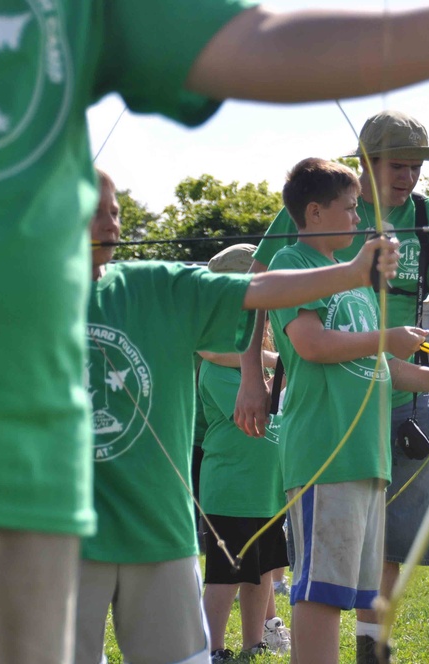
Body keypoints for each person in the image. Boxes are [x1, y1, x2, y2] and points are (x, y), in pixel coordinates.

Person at [0, 2, 429, 661]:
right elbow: (281, 311)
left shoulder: (160, 283)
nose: (407, 176)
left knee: (378, 551)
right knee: (311, 582)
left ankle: (374, 646)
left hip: (29, 496)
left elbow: (254, 40)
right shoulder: (293, 248)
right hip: (299, 438)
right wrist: (293, 340)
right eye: (386, 170)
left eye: (114, 210)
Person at [75, 170, 399, 664]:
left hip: (159, 532)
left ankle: (254, 638)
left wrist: (353, 274)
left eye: (117, 211)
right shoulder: (24, 299)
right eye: (95, 210)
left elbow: (258, 289)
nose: (111, 223)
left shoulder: (155, 284)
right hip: (65, 531)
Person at [239, 110, 429, 660]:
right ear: (363, 167)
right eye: (397, 166)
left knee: (386, 542)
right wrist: (252, 374)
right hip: (329, 418)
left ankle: (372, 645)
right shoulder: (317, 218)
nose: (408, 178)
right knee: (324, 572)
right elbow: (260, 295)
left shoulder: (425, 225)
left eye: (416, 167)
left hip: (392, 415)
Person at [197, 243, 291, 661]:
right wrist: (284, 369)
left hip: (268, 486)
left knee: (263, 572)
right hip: (231, 485)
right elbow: (252, 410)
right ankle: (212, 647)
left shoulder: (258, 357)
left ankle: (254, 641)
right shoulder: (217, 365)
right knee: (225, 575)